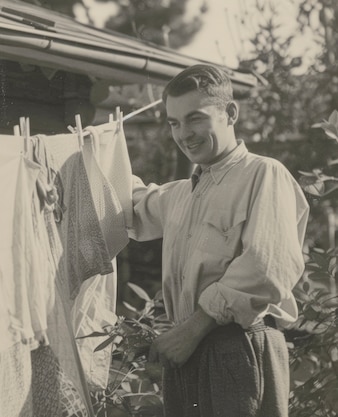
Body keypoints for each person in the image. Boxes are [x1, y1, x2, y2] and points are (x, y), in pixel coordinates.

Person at [128, 64, 309, 416]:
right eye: (174, 123)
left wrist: (190, 331)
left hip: (238, 345)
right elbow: (126, 204)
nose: (184, 135)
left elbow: (267, 267)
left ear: (230, 113)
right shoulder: (181, 194)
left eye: (195, 119)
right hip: (188, 350)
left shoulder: (263, 173)